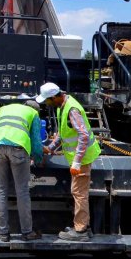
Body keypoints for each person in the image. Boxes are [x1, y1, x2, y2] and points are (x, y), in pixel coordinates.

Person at [37, 82, 99, 241]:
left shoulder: (72, 109)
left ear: (54, 97)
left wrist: (77, 162)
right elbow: (63, 133)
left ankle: (80, 231)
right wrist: (51, 147)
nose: (46, 104)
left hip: (82, 158)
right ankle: (84, 226)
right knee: (80, 193)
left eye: (47, 100)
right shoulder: (62, 107)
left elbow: (83, 135)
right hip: (79, 158)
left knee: (79, 193)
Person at [0, 99, 45, 242]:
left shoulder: (6, 108)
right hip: (18, 149)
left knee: (0, 190)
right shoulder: (33, 113)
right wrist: (38, 159)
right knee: (22, 191)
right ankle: (27, 232)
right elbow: (36, 141)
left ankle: (3, 234)